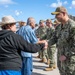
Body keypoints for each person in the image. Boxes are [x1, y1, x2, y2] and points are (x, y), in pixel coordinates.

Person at [48, 6, 75, 75]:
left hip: (70, 61)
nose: (55, 17)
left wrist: (66, 55)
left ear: (63, 13)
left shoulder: (72, 26)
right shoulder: (59, 27)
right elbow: (54, 38)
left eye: (57, 14)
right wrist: (44, 44)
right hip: (61, 59)